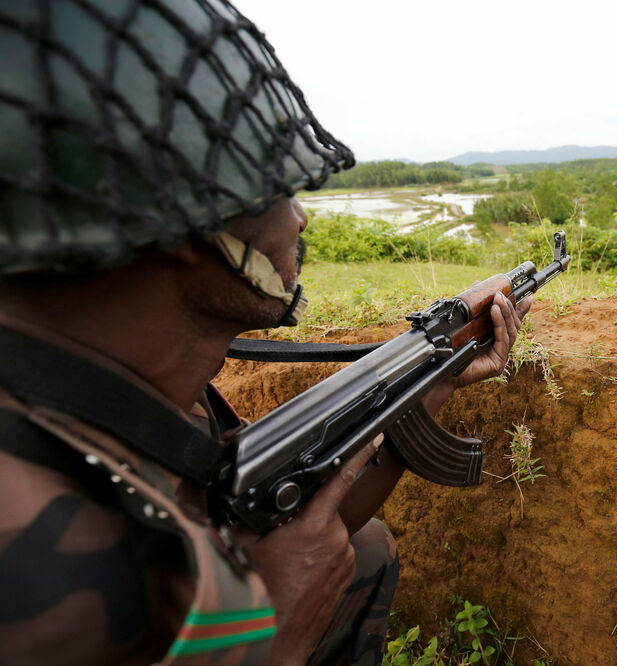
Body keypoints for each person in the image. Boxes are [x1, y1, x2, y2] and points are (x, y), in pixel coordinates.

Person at [0, 1, 531, 664]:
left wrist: (436, 375)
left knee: (359, 557)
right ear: (185, 224)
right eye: (282, 191)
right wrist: (268, 643)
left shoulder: (140, 383)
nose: (300, 219)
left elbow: (281, 526)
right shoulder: (32, 576)